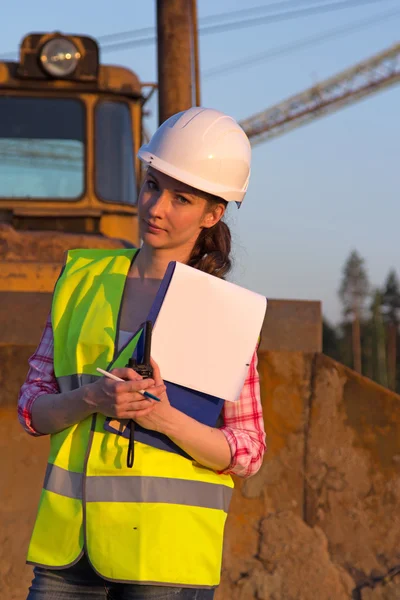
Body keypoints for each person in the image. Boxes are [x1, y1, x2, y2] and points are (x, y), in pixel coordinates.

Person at [18, 107, 267, 600]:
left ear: (211, 214)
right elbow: (32, 410)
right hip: (70, 549)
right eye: (153, 186)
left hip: (164, 561)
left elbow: (248, 449)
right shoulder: (80, 282)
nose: (156, 207)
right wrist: (92, 398)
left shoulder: (224, 313)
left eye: (181, 198)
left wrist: (166, 420)